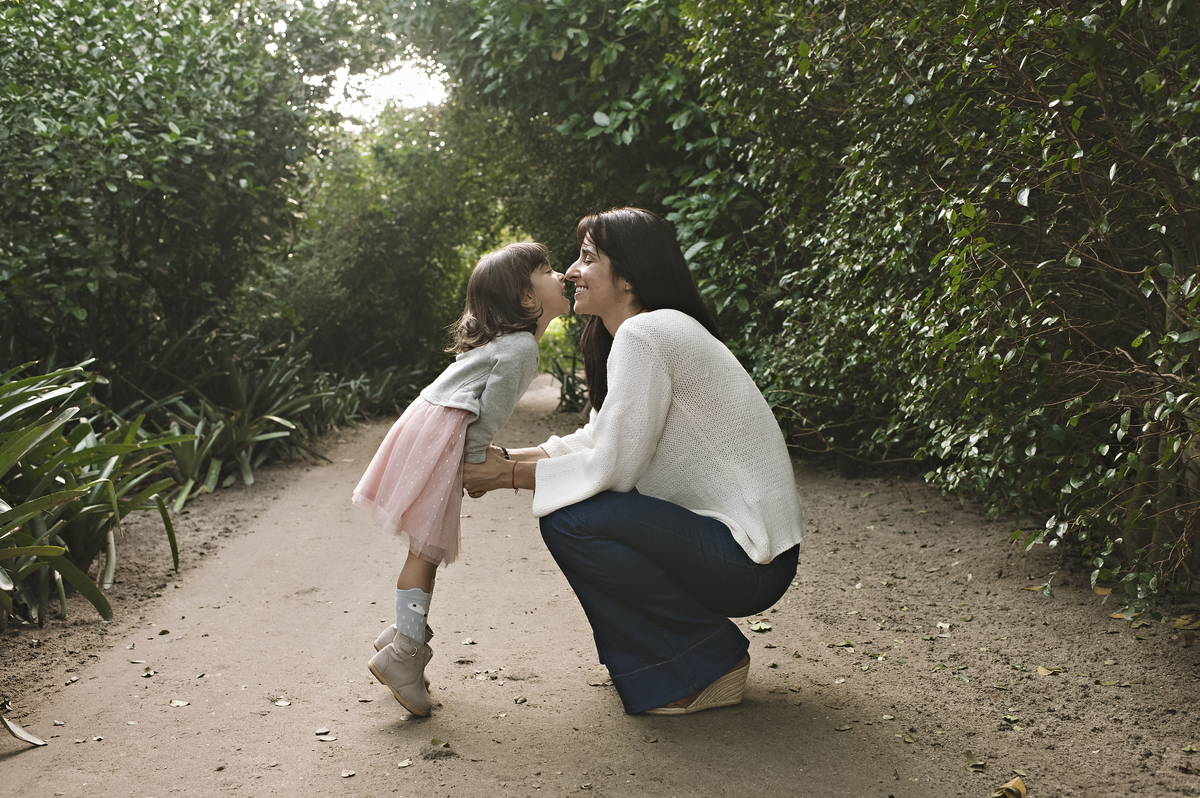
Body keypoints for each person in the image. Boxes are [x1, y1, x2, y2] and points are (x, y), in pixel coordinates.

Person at [463, 208, 803, 715]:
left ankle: (700, 662)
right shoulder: (643, 335)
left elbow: (613, 467)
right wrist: (506, 458)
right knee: (571, 510)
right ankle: (674, 661)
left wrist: (507, 475)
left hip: (748, 558)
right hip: (747, 553)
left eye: (586, 259)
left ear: (628, 277)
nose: (571, 273)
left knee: (572, 519)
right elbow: (599, 437)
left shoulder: (647, 335)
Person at [353, 242, 570, 716]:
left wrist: (476, 454)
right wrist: (476, 465)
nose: (561, 277)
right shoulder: (521, 350)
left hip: (433, 425)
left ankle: (401, 635)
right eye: (549, 270)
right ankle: (403, 654)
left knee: (425, 546)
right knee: (426, 548)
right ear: (528, 300)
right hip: (445, 435)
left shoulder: (510, 346)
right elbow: (487, 414)